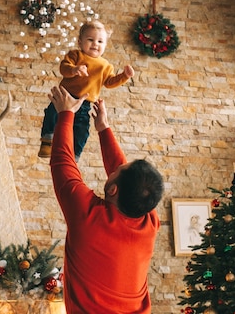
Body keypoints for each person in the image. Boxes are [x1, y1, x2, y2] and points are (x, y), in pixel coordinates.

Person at [47, 85, 164, 313]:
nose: (115, 167)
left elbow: (62, 161)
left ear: (113, 190)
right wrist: (103, 128)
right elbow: (128, 179)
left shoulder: (87, 216)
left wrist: (65, 113)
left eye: (118, 170)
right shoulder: (148, 218)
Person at [38, 20, 134, 160]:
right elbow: (63, 68)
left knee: (82, 130)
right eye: (90, 40)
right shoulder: (76, 55)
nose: (95, 44)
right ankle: (47, 140)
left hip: (84, 103)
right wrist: (74, 69)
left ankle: (74, 155)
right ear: (80, 42)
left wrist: (124, 76)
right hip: (65, 96)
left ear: (105, 45)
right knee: (52, 115)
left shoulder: (105, 66)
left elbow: (109, 82)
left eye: (100, 41)